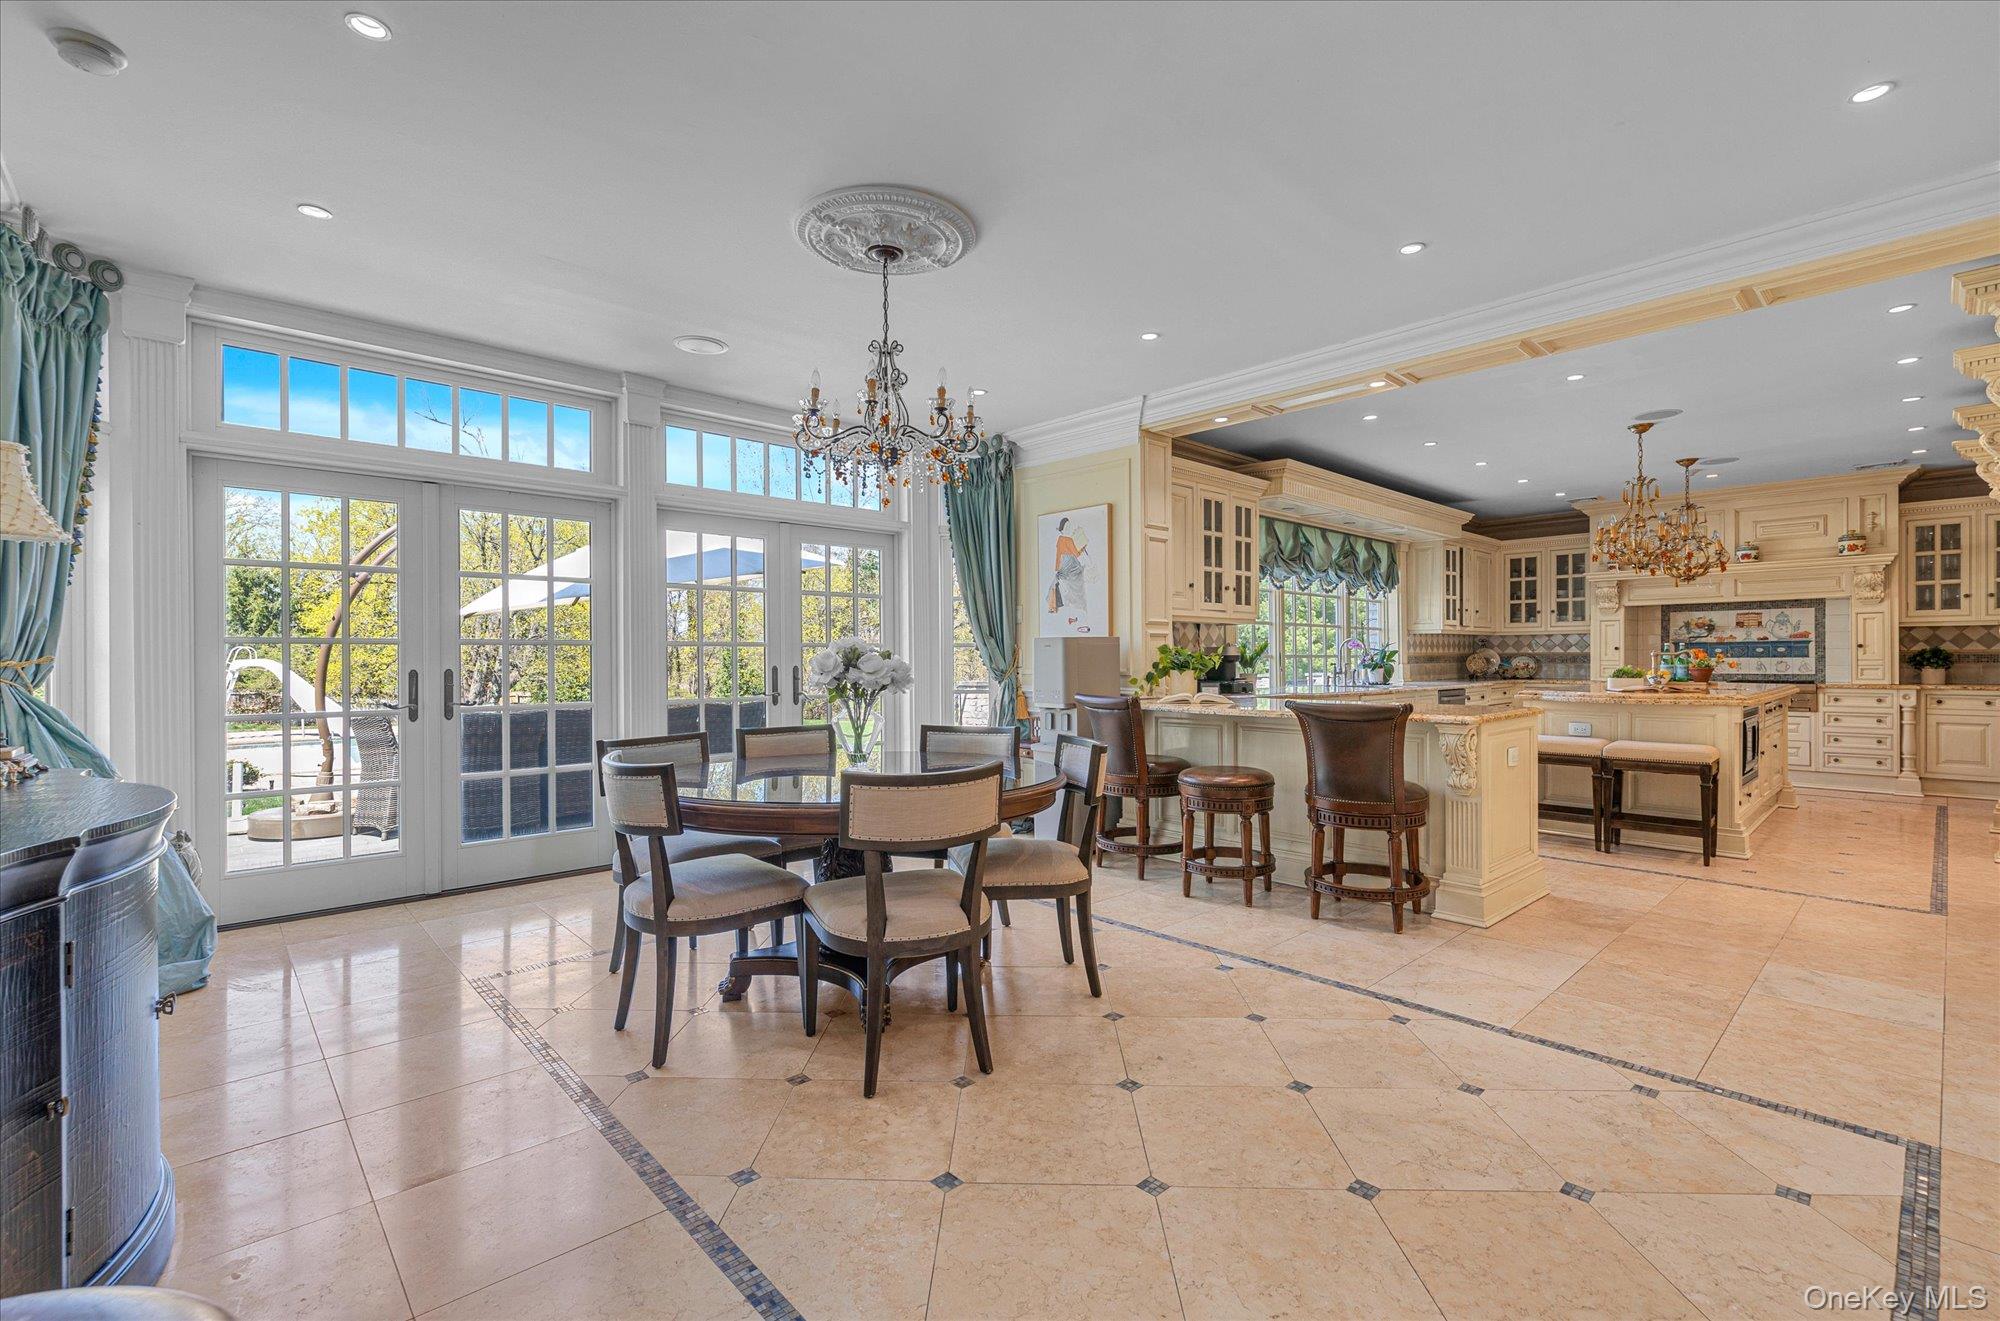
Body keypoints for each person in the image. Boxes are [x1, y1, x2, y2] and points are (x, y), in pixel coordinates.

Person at [1046, 517, 1089, 618]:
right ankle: (1077, 612)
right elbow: (1076, 554)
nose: (1070, 528)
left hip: (1063, 568)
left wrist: (1058, 569)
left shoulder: (1061, 539)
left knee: (1071, 592)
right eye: (1068, 526)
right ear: (1064, 527)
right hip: (1069, 568)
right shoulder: (1067, 540)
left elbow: (1060, 556)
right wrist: (1083, 547)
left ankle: (1073, 613)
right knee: (1077, 589)